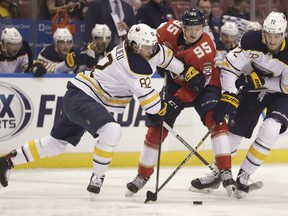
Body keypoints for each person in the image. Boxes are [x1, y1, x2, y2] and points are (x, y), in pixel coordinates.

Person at [0, 23, 189, 196]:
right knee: (111, 130)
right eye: (147, 47)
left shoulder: (145, 49)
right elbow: (152, 105)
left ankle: (7, 161)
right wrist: (164, 107)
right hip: (84, 98)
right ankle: (97, 178)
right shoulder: (133, 65)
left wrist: (186, 72)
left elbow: (167, 58)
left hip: (79, 96)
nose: (151, 49)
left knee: (55, 144)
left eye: (152, 45)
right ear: (134, 46)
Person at [126, 8, 235, 197]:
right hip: (175, 83)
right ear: (182, 26)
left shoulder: (206, 50)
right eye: (189, 28)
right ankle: (142, 175)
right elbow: (152, 43)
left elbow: (200, 84)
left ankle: (225, 171)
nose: (193, 33)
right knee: (157, 126)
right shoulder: (167, 28)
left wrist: (177, 100)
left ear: (203, 27)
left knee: (215, 118)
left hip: (205, 86)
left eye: (198, 28)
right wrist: (161, 63)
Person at [192, 11, 288, 199]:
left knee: (271, 128)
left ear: (284, 34)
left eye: (277, 35)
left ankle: (245, 176)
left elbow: (285, 86)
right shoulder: (251, 41)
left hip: (281, 93)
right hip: (253, 89)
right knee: (234, 134)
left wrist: (261, 82)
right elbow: (229, 67)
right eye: (269, 34)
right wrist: (229, 94)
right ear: (263, 32)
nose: (272, 39)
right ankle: (218, 172)